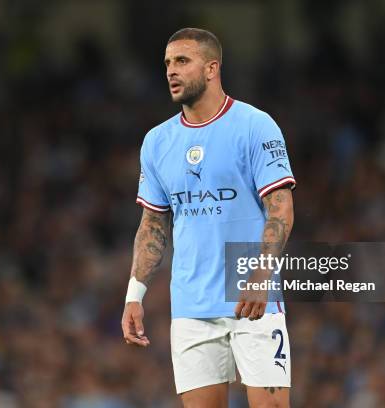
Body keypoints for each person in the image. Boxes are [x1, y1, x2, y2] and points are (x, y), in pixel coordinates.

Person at [121, 27, 296, 408]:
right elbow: (152, 225)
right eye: (167, 63)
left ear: (212, 68)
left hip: (251, 297)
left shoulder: (254, 125)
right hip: (190, 305)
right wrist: (135, 295)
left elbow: (280, 206)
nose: (171, 71)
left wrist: (262, 274)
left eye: (182, 61)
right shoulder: (157, 142)